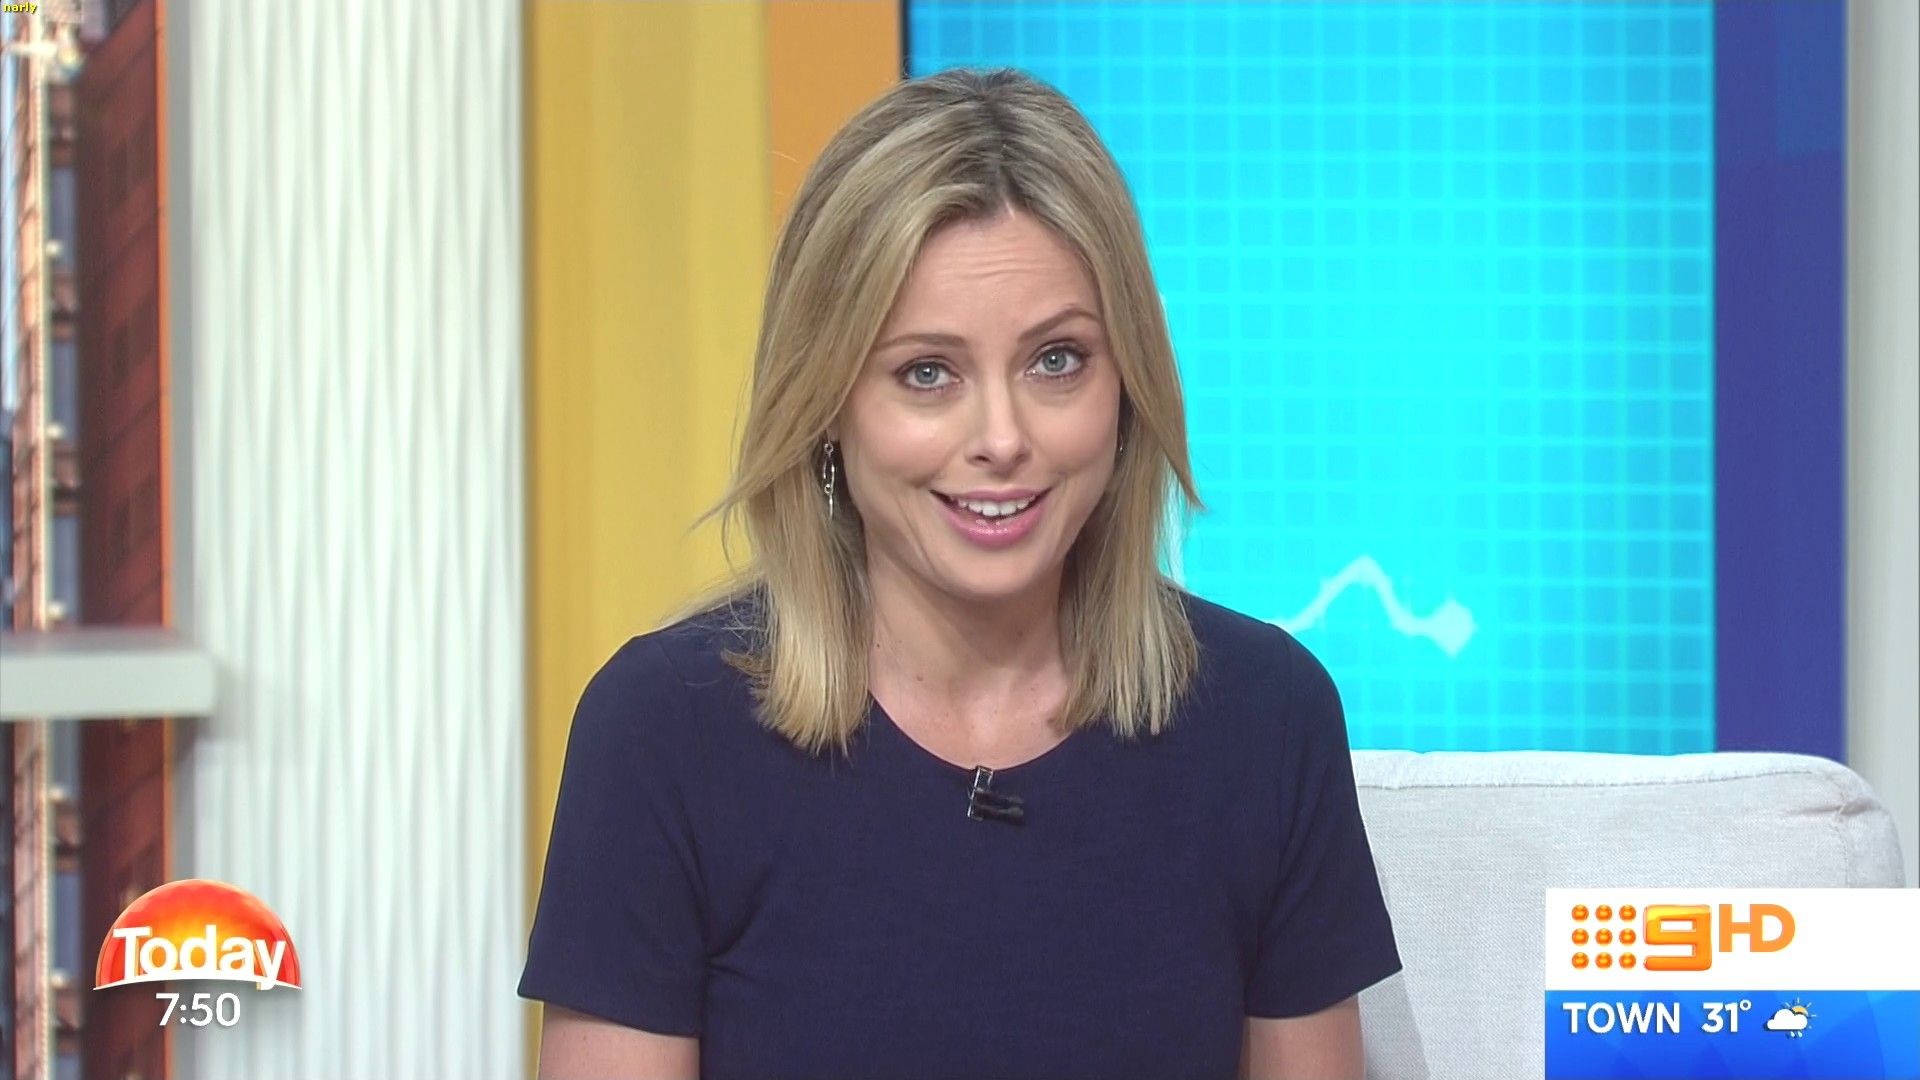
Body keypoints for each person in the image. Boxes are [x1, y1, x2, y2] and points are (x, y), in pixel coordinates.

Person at [518, 67, 1401, 1080]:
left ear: (1128, 384)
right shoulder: (663, 735)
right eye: (927, 373)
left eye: (1056, 360)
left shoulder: (1265, 722)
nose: (1002, 437)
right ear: (826, 404)